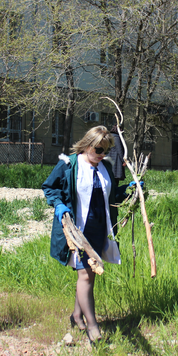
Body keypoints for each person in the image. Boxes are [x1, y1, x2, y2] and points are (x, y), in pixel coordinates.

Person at [42, 126, 129, 344]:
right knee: (84, 275)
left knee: (89, 275)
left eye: (106, 151)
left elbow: (112, 194)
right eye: (98, 149)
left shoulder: (105, 167)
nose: (102, 155)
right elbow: (50, 188)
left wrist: (131, 189)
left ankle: (76, 315)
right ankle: (93, 327)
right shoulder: (69, 164)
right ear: (88, 144)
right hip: (79, 229)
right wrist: (59, 205)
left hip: (100, 228)